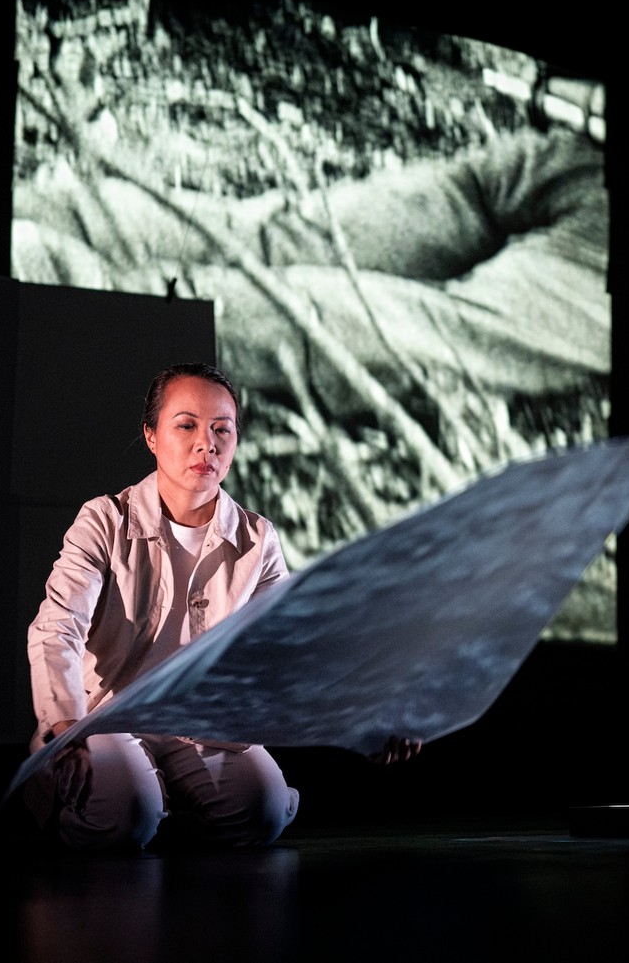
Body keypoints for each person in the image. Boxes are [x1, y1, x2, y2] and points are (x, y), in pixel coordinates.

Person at [25, 362, 421, 851]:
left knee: (265, 810)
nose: (205, 444)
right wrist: (65, 729)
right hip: (110, 718)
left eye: (222, 430)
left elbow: (296, 643)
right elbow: (56, 627)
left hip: (199, 724)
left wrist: (368, 715)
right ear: (151, 436)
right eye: (186, 425)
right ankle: (79, 804)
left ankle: (167, 807)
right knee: (125, 811)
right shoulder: (105, 520)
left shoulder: (256, 538)